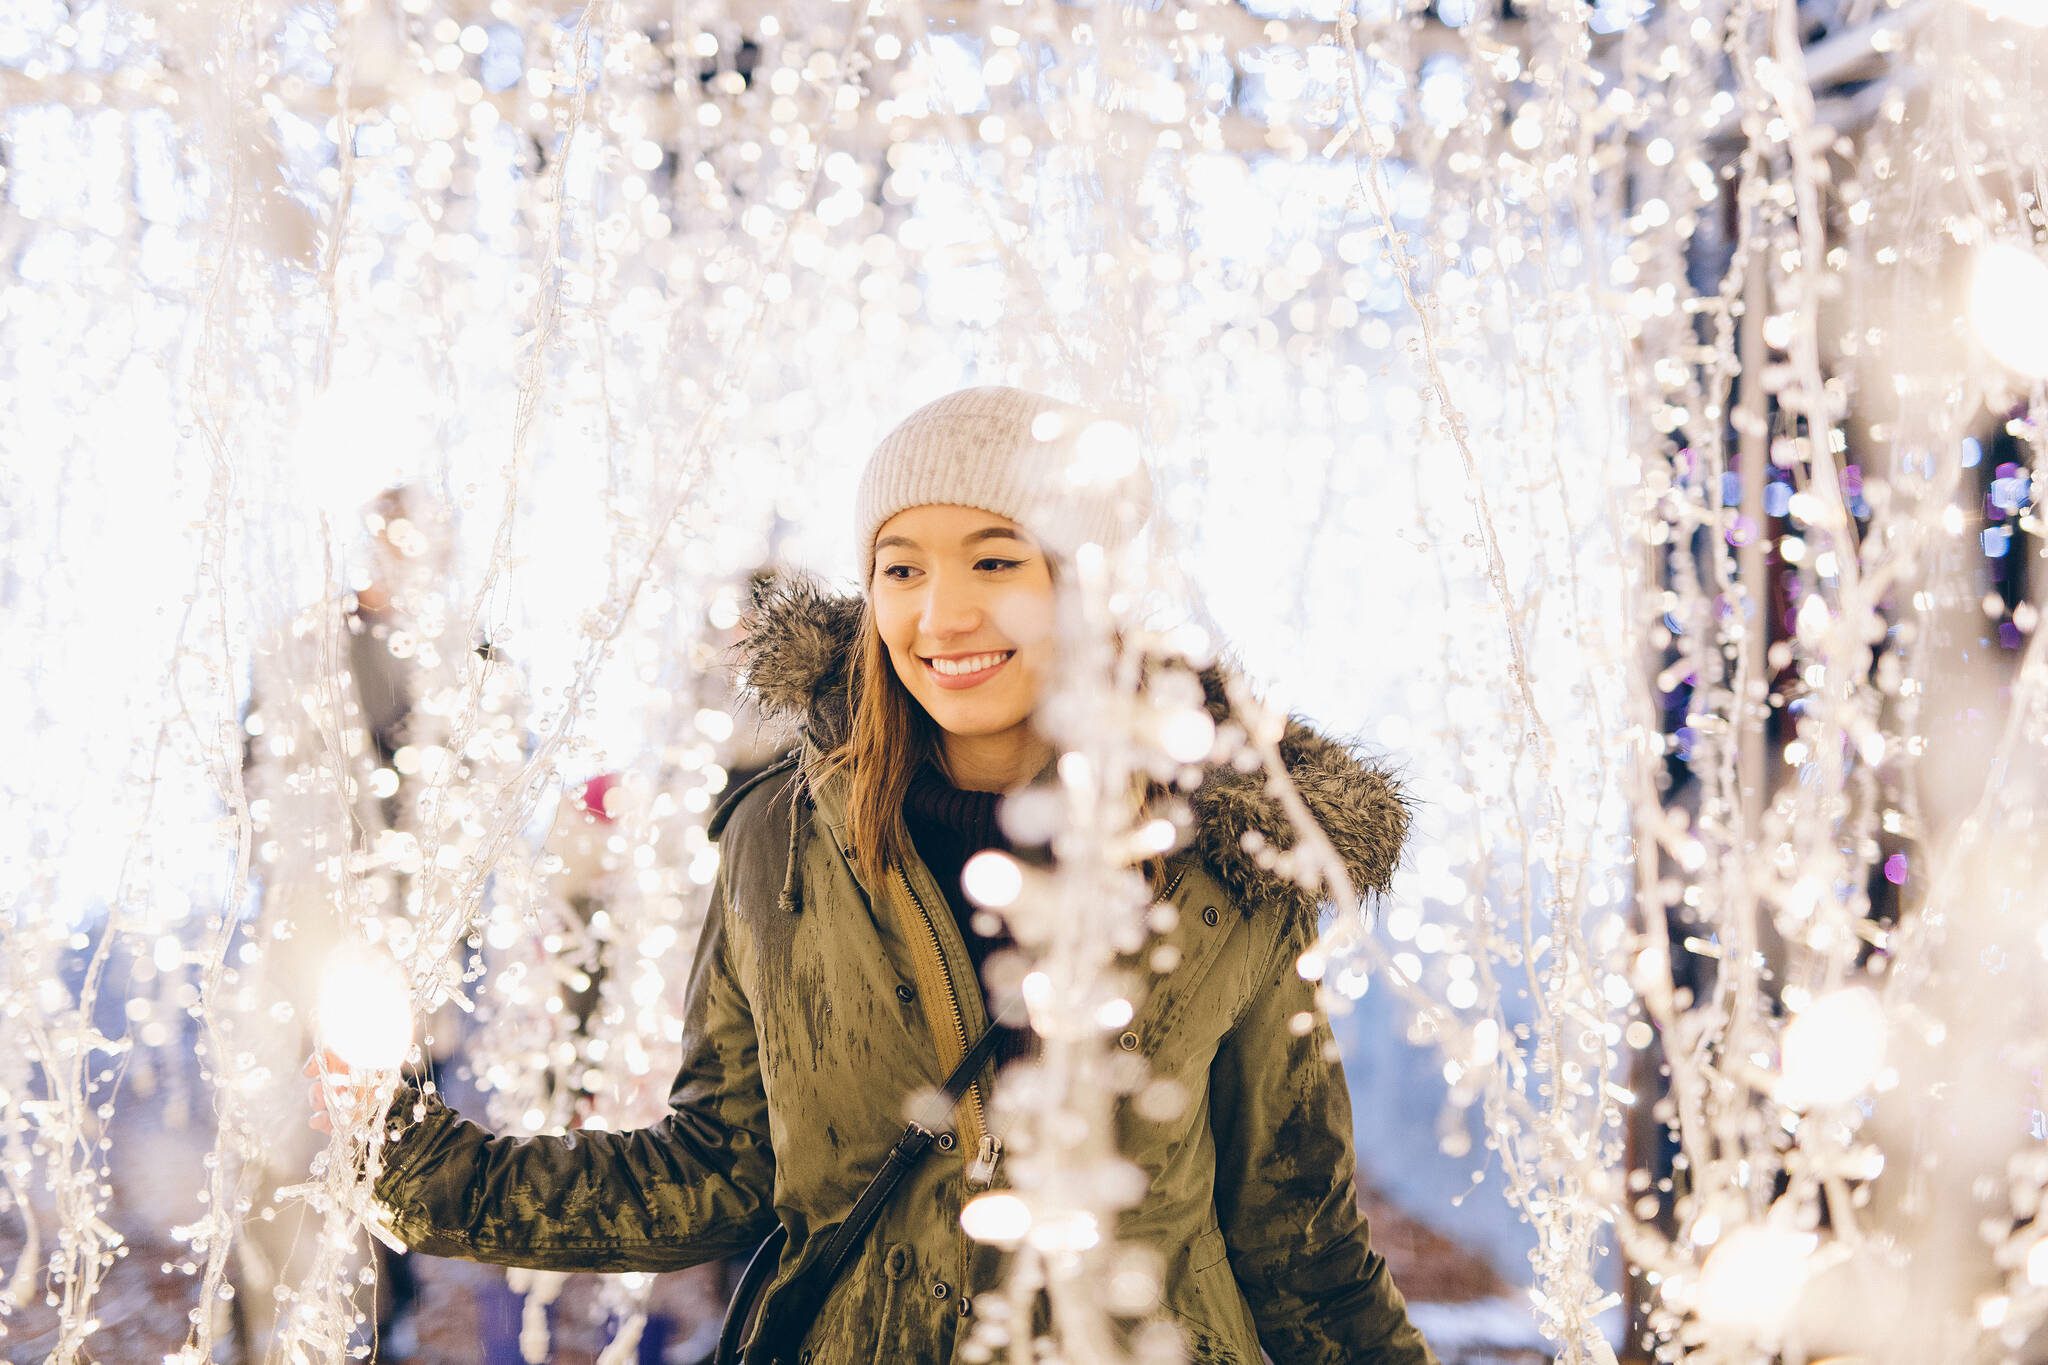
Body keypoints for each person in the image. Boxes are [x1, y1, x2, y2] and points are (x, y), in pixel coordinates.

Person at [311, 385, 1439, 1364]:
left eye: (994, 562)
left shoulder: (1224, 862)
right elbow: (719, 1168)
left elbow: (1298, 1238)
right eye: (899, 568)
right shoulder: (779, 843)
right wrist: (409, 1155)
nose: (940, 614)